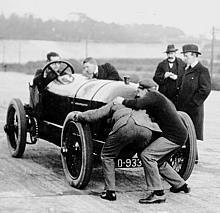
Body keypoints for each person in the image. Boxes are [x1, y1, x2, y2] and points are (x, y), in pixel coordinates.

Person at [114, 79, 190, 204]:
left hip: (174, 137)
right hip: (179, 135)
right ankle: (180, 184)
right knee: (159, 160)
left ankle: (158, 193)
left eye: (139, 91)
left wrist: (122, 101)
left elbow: (138, 104)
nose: (138, 94)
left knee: (147, 156)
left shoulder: (153, 95)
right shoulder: (161, 98)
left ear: (146, 89)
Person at [71, 101, 161, 201]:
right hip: (147, 131)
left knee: (107, 156)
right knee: (146, 155)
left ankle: (110, 192)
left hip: (126, 125)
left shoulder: (115, 103)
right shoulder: (141, 107)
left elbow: (94, 115)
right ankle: (171, 186)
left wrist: (79, 116)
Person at [177, 44, 211, 141]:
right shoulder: (185, 69)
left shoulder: (202, 70)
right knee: (183, 136)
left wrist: (193, 103)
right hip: (183, 110)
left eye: (186, 56)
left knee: (192, 138)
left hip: (194, 111)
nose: (184, 58)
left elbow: (205, 90)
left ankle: (191, 156)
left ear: (194, 55)